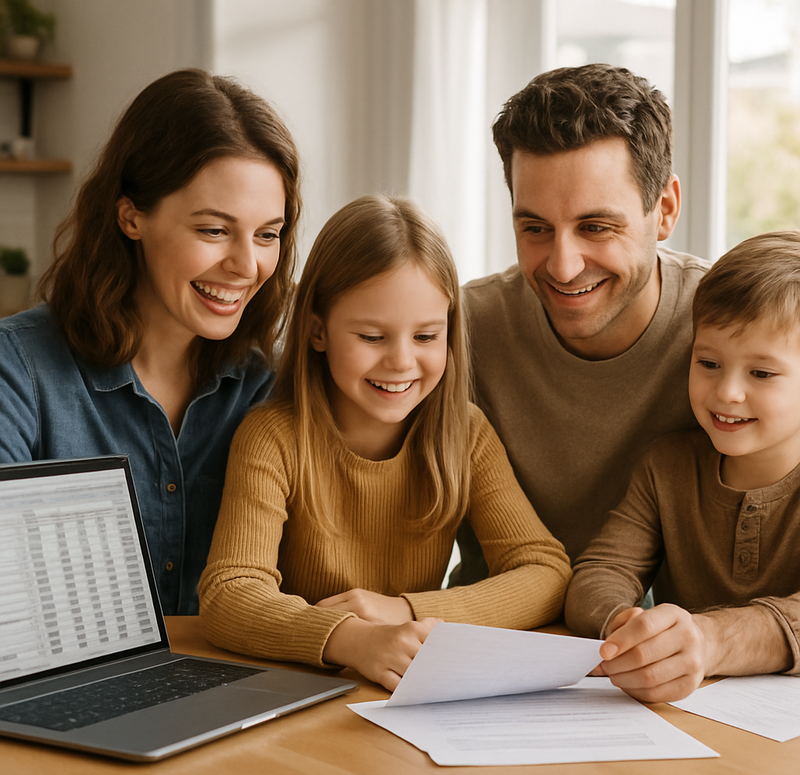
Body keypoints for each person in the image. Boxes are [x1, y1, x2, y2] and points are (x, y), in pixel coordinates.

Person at [198, 194, 571, 691]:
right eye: (372, 337)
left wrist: (407, 611)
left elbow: (546, 572)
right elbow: (230, 594)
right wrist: (349, 638)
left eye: (425, 337)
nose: (401, 362)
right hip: (296, 691)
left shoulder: (465, 433)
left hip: (407, 692)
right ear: (317, 331)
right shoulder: (273, 438)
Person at [0, 69, 301, 615]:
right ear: (131, 216)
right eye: (213, 230)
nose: (246, 265)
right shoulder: (17, 371)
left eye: (267, 234)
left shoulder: (266, 389)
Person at [450, 64, 710, 585]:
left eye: (595, 227)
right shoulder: (456, 331)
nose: (563, 266)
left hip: (679, 657)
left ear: (664, 210)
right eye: (536, 228)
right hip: (488, 641)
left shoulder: (740, 335)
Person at [565, 230, 800, 702]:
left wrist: (711, 638)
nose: (727, 392)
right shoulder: (667, 466)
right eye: (708, 362)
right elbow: (601, 569)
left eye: (761, 373)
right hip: (684, 717)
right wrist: (622, 623)